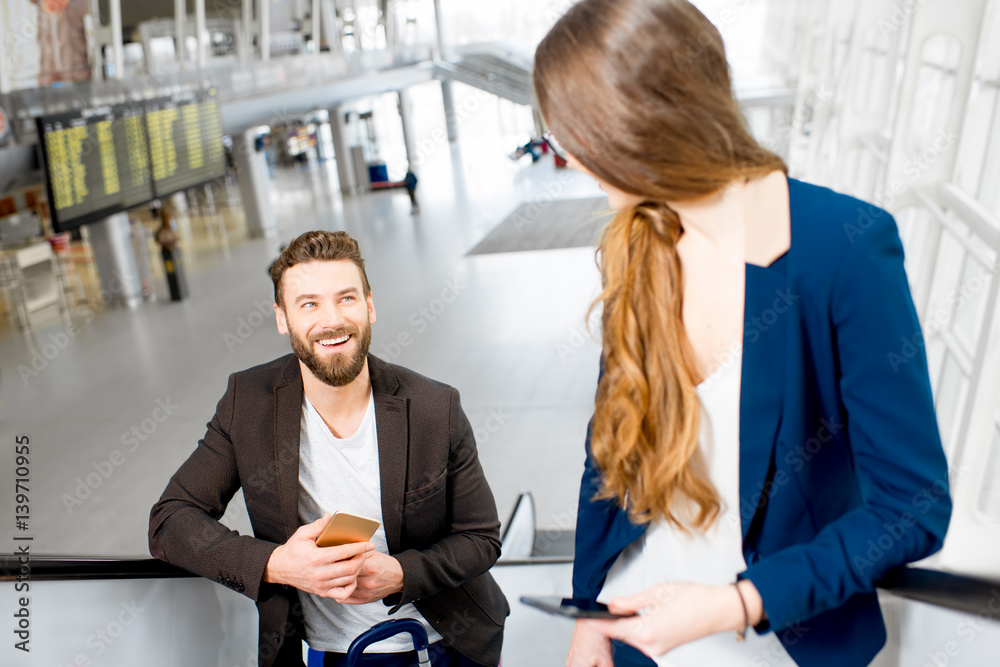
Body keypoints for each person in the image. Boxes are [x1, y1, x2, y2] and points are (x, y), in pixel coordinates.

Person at [532, 2, 952, 666]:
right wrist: (590, 608)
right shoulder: (639, 241)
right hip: (637, 633)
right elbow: (608, 452)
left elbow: (912, 506)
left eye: (579, 140)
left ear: (638, 130)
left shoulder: (839, 249)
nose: (577, 165)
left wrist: (738, 601)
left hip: (776, 638)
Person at [149, 230, 508, 667]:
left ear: (370, 306)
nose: (332, 319)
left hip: (443, 645)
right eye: (309, 304)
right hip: (329, 654)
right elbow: (171, 521)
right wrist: (280, 564)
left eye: (347, 298)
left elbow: (481, 537)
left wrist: (399, 574)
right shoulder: (249, 402)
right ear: (282, 318)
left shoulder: (434, 406)